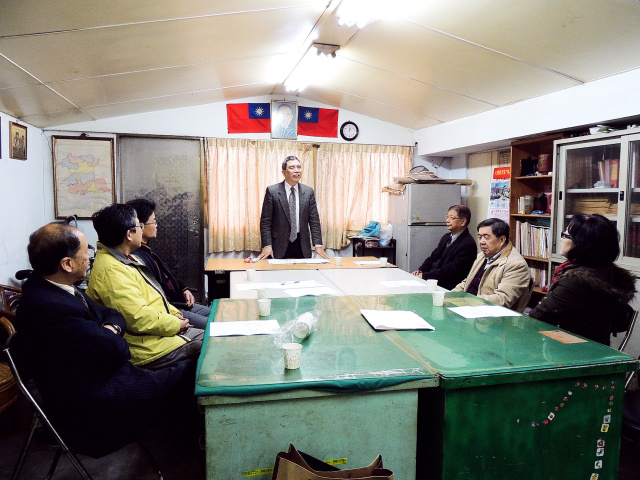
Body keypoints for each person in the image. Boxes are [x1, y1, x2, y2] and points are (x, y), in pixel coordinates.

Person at [14, 222, 194, 456]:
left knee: (190, 370)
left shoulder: (54, 287)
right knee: (192, 371)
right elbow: (118, 351)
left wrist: (109, 328)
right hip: (95, 404)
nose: (90, 257)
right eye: (84, 252)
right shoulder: (49, 306)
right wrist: (112, 332)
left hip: (107, 377)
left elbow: (112, 314)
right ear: (67, 264)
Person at [87, 204, 203, 369]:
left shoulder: (127, 258)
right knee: (212, 345)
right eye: (138, 226)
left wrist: (176, 316)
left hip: (158, 334)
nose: (141, 230)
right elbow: (138, 318)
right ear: (129, 234)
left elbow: (155, 298)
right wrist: (176, 324)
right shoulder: (111, 270)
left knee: (215, 338)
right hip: (147, 348)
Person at [529, 214, 636, 345]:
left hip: (572, 350)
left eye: (566, 235)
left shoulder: (576, 281)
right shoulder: (606, 271)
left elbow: (536, 318)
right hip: (597, 347)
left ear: (582, 243)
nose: (562, 238)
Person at [126, 198, 210, 329]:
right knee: (212, 325)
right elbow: (159, 293)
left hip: (177, 303)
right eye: (153, 222)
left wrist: (184, 289)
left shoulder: (146, 251)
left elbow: (166, 276)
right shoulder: (137, 257)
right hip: (171, 309)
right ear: (140, 226)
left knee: (217, 314)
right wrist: (182, 299)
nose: (156, 225)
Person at [258, 155, 329, 260]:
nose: (296, 170)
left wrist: (318, 245)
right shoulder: (272, 191)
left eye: (298, 167)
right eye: (292, 167)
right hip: (278, 246)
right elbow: (265, 222)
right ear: (284, 172)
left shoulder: (308, 192)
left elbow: (314, 220)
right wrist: (267, 245)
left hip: (302, 245)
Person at [452, 218, 531, 312]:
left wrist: (468, 300)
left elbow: (502, 299)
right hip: (467, 308)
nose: (481, 242)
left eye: (486, 237)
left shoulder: (516, 264)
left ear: (502, 240)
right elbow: (467, 282)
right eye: (480, 237)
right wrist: (450, 296)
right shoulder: (482, 256)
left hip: (491, 316)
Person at [411, 205, 477, 290]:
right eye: (447, 217)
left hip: (445, 285)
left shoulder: (468, 244)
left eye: (452, 218)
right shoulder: (446, 237)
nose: (447, 220)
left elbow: (451, 271)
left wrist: (424, 276)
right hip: (431, 279)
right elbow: (432, 257)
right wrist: (420, 270)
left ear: (463, 221)